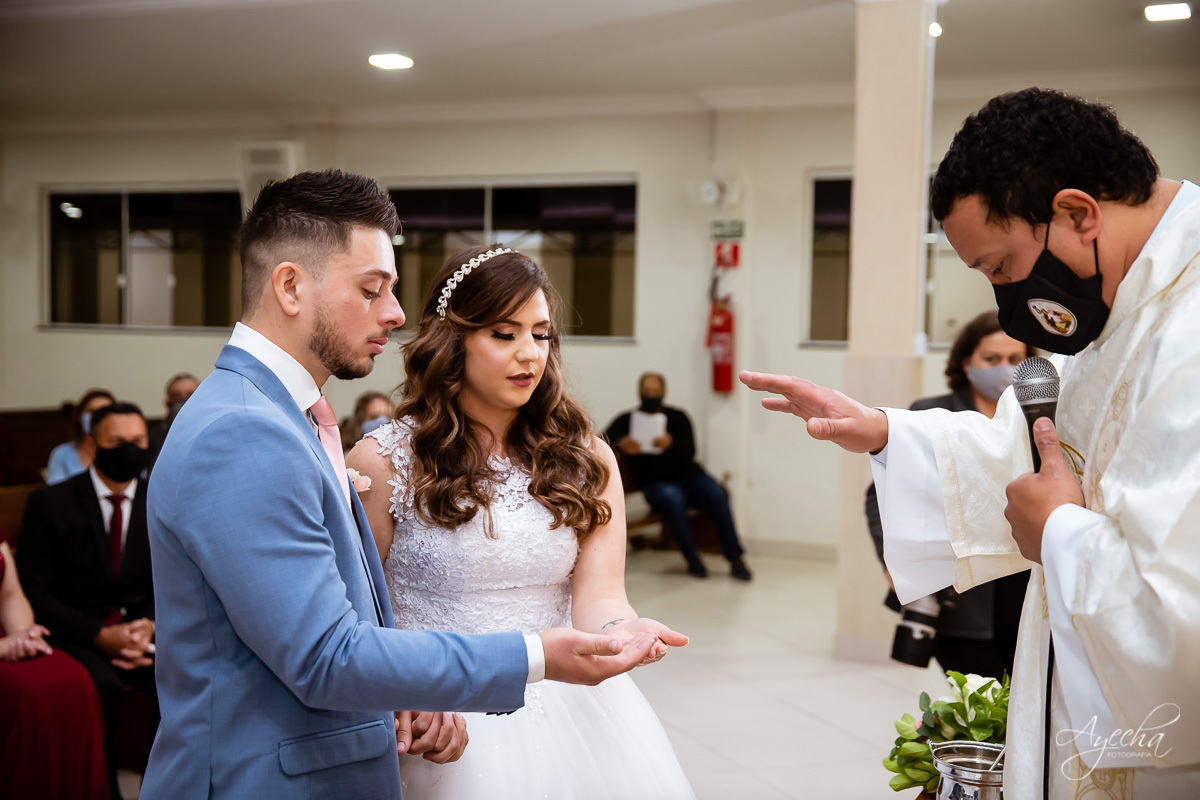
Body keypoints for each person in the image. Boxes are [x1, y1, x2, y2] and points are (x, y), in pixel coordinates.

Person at [142, 170, 671, 799]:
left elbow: (350, 615)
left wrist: (611, 633)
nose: (395, 314)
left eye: (539, 334)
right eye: (372, 289)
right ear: (290, 286)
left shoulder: (285, 415)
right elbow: (327, 656)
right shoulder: (245, 433)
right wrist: (536, 657)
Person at [742, 88, 1200, 798]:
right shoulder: (1119, 300)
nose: (1004, 298)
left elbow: (1181, 606)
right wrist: (888, 430)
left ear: (1077, 213)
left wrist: (1060, 532)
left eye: (999, 267)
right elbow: (1044, 454)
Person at [347, 245, 693, 799]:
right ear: (452, 340)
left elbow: (600, 595)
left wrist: (618, 635)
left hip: (567, 704)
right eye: (504, 335)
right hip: (438, 711)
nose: (529, 354)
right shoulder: (383, 460)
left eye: (542, 334)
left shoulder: (588, 458)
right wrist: (402, 696)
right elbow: (356, 615)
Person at [865, 310, 1031, 678]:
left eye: (1014, 359)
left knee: (1025, 706)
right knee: (976, 703)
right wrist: (891, 557)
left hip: (1025, 587)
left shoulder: (1036, 418)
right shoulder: (930, 416)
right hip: (958, 593)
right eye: (991, 359)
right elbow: (881, 497)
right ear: (966, 364)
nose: (1004, 368)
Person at [19, 401, 158, 799]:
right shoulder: (50, 503)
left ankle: (160, 783)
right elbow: (37, 590)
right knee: (101, 687)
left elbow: (174, 580)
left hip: (140, 627)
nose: (129, 450)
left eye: (138, 441)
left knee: (182, 673)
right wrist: (99, 634)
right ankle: (103, 789)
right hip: (76, 629)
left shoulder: (161, 498)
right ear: (93, 445)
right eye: (117, 442)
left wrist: (147, 623)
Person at [606, 373, 751, 580]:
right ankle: (693, 558)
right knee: (673, 498)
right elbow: (599, 444)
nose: (651, 396)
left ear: (663, 393)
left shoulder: (678, 417)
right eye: (647, 392)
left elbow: (690, 451)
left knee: (717, 493)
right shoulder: (625, 421)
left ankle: (736, 558)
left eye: (655, 392)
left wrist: (671, 443)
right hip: (656, 485)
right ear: (639, 392)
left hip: (689, 478)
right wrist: (621, 445)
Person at [0, 539, 110, 800]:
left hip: (7, 639)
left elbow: (10, 594)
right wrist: (3, 648)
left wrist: (24, 636)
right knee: (29, 693)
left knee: (75, 679)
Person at [45, 388, 114, 485]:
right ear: (80, 416)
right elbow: (54, 494)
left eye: (103, 412)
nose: (96, 417)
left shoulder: (124, 452)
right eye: (91, 411)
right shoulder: (61, 454)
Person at [341, 390, 393, 454]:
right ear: (360, 420)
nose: (383, 421)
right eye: (374, 416)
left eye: (388, 417)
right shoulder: (349, 455)